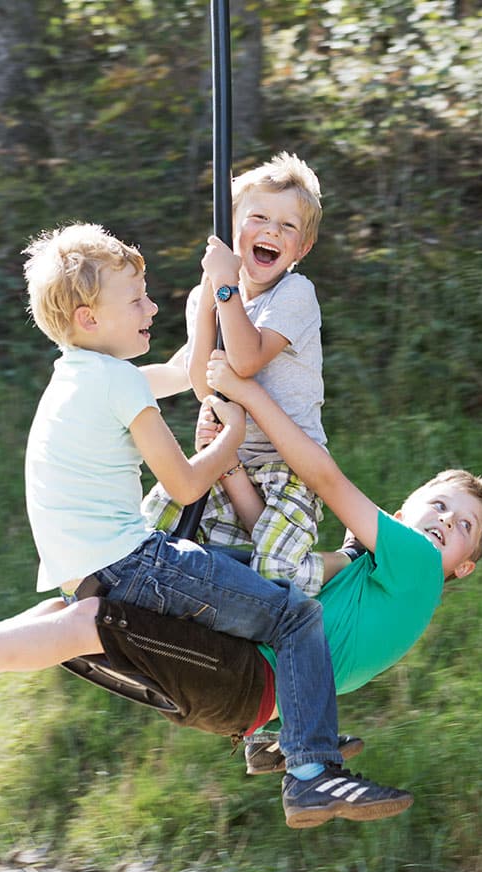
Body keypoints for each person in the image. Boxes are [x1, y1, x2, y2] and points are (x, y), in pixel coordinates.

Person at [0, 221, 412, 829]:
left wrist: (213, 295)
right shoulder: (118, 384)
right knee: (294, 613)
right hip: (137, 563)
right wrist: (234, 439)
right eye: (136, 300)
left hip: (84, 568)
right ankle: (311, 771)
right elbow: (187, 483)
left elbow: (189, 373)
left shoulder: (81, 374)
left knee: (70, 627)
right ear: (90, 318)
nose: (150, 307)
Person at [0, 364, 482, 798]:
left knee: (88, 621)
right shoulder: (373, 569)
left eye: (461, 526)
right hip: (237, 688)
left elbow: (323, 476)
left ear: (462, 566)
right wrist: (231, 457)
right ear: (405, 508)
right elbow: (268, 544)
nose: (443, 522)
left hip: (245, 679)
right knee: (73, 611)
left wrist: (249, 395)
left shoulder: (412, 569)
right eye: (436, 505)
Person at [143, 151, 331, 597]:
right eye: (259, 218)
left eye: (287, 226)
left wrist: (224, 287)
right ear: (230, 232)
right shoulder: (206, 296)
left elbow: (244, 362)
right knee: (150, 534)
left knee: (273, 574)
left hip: (289, 470)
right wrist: (105, 381)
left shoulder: (295, 293)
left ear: (302, 248)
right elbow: (201, 379)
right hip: (226, 461)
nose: (271, 231)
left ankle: (337, 564)